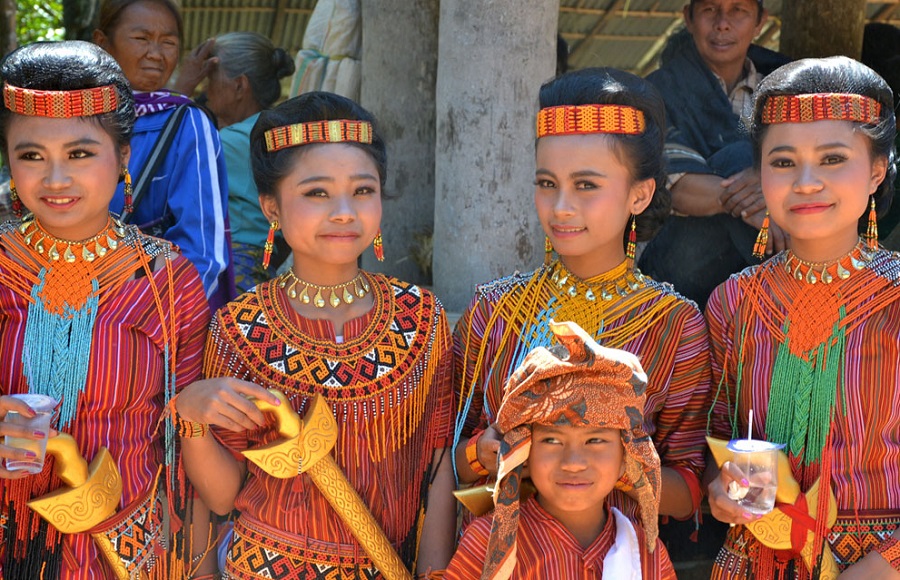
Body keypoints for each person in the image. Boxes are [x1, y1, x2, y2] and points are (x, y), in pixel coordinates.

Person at [172, 91, 457, 577]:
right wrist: (192, 416)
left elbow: (437, 467)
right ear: (271, 208)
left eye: (363, 191)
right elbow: (221, 494)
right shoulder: (239, 328)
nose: (344, 211)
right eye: (317, 193)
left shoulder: (423, 318)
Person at [454, 67, 712, 530]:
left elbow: (689, 491)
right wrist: (482, 452)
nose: (561, 207)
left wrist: (613, 465)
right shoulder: (495, 311)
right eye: (547, 183)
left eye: (586, 185)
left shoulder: (675, 325)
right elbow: (448, 458)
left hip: (619, 560)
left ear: (640, 194)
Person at [0, 41, 210, 579]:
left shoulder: (167, 281)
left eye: (79, 153)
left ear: (124, 157)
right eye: (31, 156)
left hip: (127, 550)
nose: (55, 179)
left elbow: (187, 447)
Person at [705, 56, 900, 578]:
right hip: (755, 563)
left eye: (834, 159)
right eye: (784, 162)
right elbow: (717, 438)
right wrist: (722, 492)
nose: (806, 181)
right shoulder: (735, 303)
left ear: (877, 171)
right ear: (760, 173)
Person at [446, 320, 676, 579]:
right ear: (523, 450)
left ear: (627, 456)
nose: (573, 462)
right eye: (552, 441)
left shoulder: (647, 557)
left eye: (595, 441)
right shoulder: (484, 547)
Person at [638, 0, 790, 309]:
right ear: (689, 18)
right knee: (738, 157)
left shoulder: (785, 90)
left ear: (760, 21)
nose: (723, 23)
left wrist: (767, 188)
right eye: (710, 10)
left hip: (771, 249)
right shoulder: (658, 92)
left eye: (739, 11)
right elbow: (678, 188)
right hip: (683, 266)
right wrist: (758, 198)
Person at [93, 0, 235, 310]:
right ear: (103, 44)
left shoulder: (188, 123)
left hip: (148, 318)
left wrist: (146, 326)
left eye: (168, 42)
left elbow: (203, 252)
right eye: (142, 39)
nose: (156, 54)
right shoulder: (80, 117)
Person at [175, 32, 296, 292]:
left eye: (210, 80)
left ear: (240, 85)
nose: (205, 90)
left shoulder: (225, 144)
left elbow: (158, 161)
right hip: (263, 269)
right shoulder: (277, 133)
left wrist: (180, 88)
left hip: (232, 272)